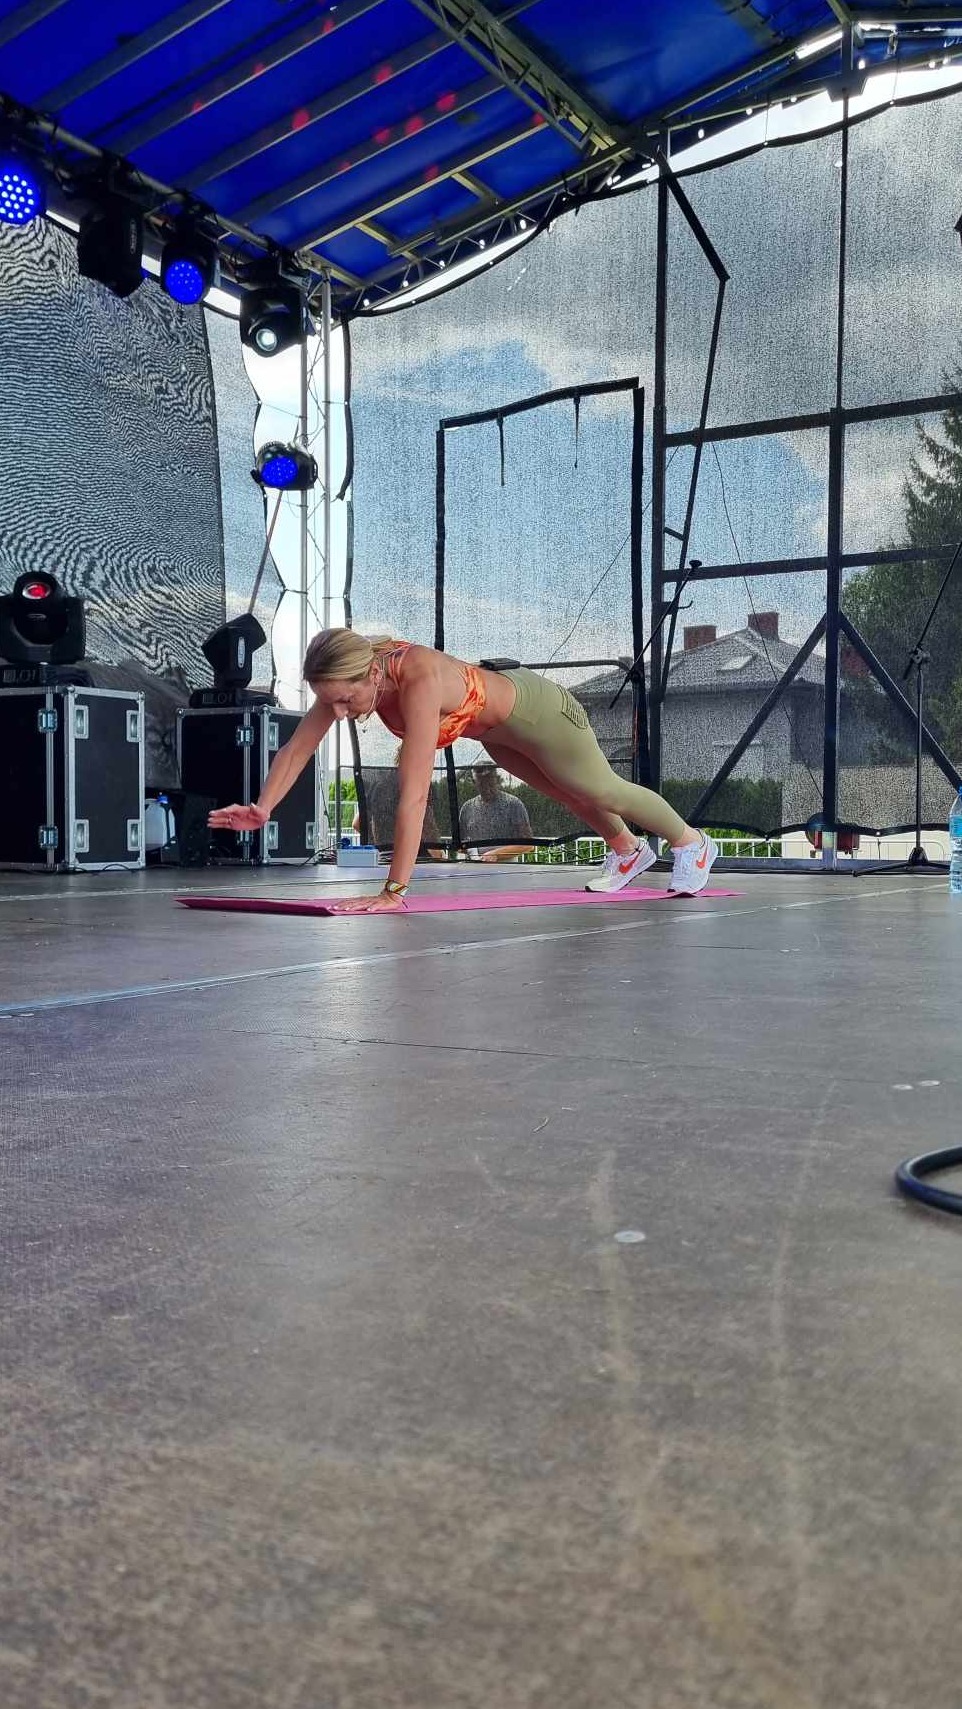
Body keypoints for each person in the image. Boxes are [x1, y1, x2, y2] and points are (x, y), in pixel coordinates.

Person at [208, 630, 718, 913]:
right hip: (495, 732)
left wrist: (394, 892)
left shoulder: (419, 680)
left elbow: (413, 797)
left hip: (539, 712)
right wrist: (263, 807)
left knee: (598, 787)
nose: (339, 712)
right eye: (331, 703)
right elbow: (296, 749)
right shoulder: (348, 681)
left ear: (371, 675)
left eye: (344, 701)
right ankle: (628, 852)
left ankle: (691, 842)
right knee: (567, 792)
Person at [459, 762, 534, 861]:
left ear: (497, 780)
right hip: (475, 869)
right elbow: (460, 844)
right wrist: (472, 852)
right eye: (481, 784)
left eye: (490, 783)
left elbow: (528, 845)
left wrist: (496, 854)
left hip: (506, 871)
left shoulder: (513, 804)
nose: (486, 788)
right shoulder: (467, 808)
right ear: (474, 783)